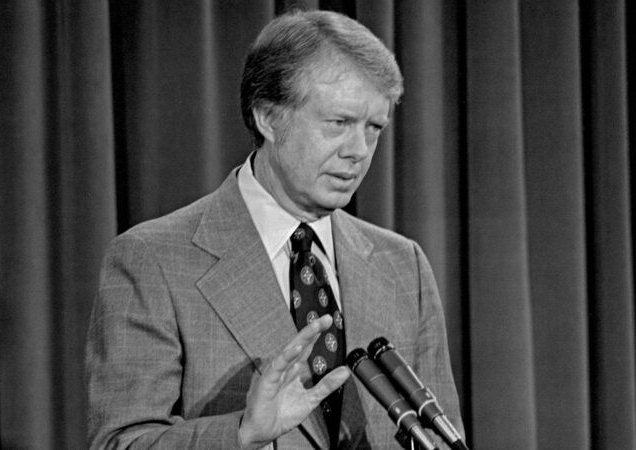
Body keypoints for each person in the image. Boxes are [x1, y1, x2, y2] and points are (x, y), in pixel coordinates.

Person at [86, 9, 464, 449]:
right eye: (338, 123)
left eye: (374, 128)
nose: (359, 150)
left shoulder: (403, 266)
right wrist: (242, 433)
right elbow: (120, 443)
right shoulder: (153, 260)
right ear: (268, 117)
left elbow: (440, 436)